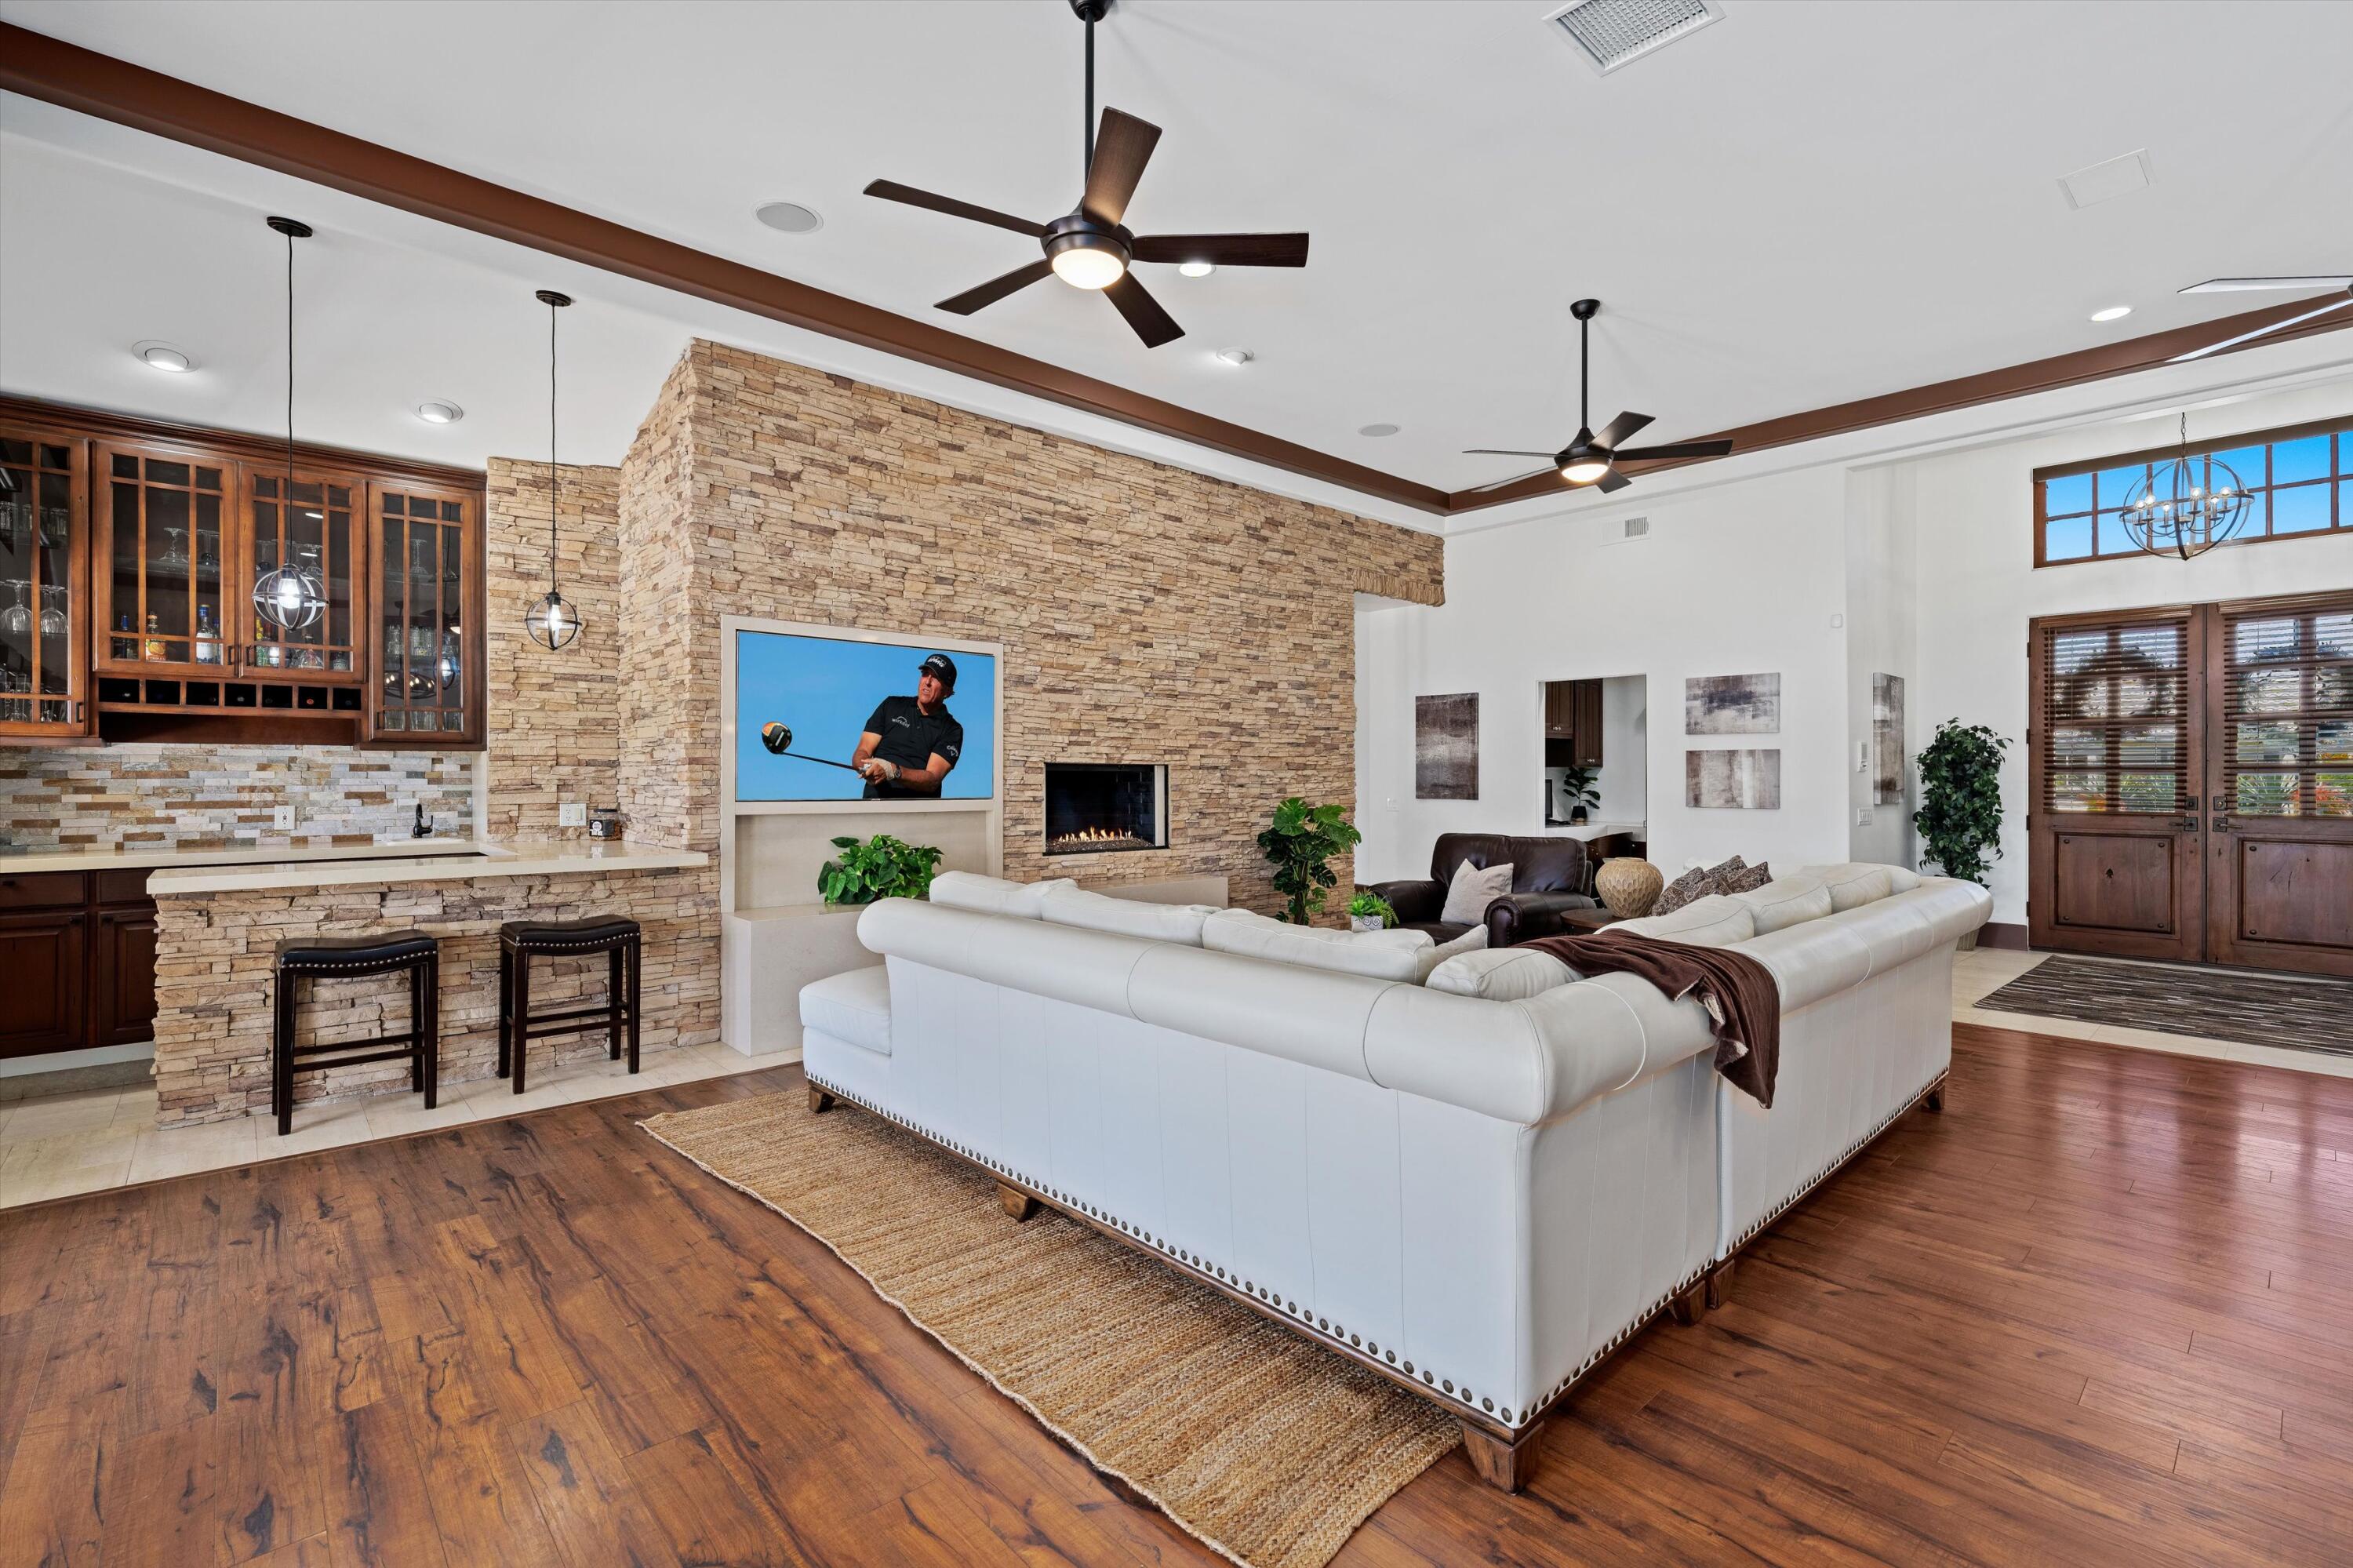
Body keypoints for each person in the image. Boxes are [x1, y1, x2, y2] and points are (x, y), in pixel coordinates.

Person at [853, 653, 964, 799]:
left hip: (916, 814)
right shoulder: (891, 705)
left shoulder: (952, 730)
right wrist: (866, 766)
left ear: (948, 692)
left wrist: (893, 771)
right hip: (874, 807)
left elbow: (932, 780)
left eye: (936, 677)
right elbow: (862, 750)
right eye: (925, 674)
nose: (927, 682)